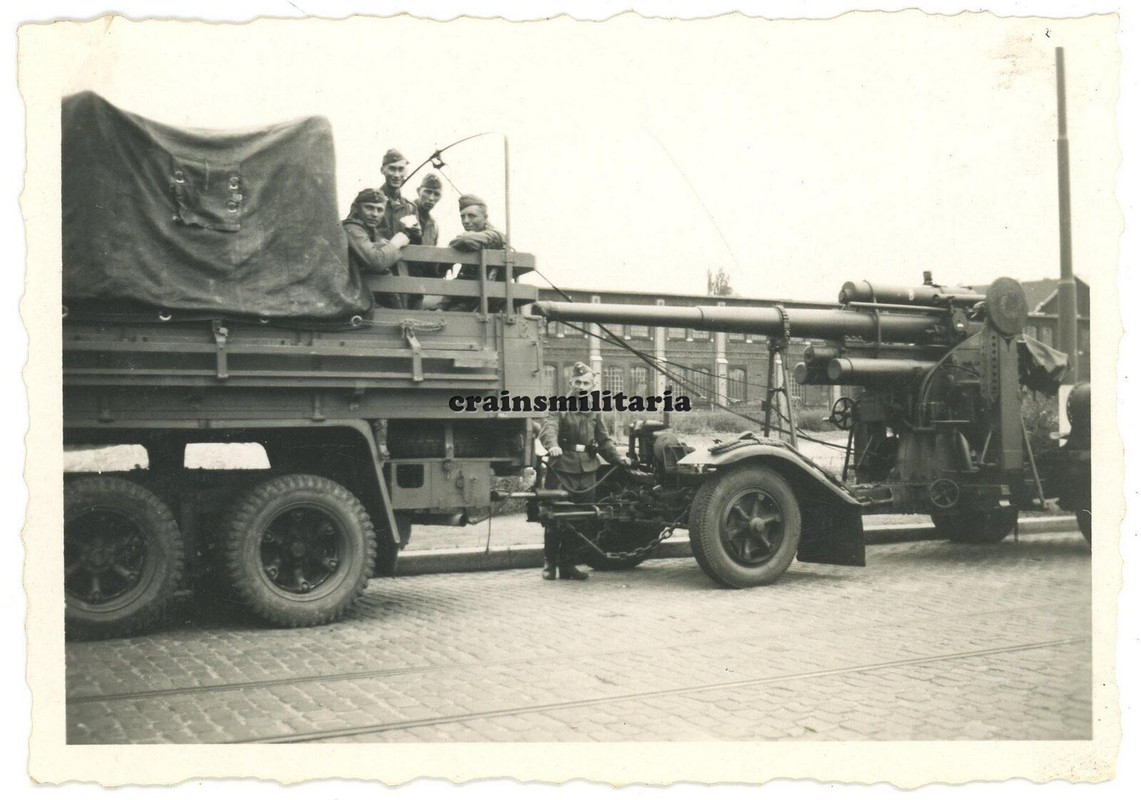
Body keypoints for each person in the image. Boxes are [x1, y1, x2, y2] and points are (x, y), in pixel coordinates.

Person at [538, 362, 631, 581]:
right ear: (571, 382)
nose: (581, 386)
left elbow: (603, 439)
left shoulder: (594, 409)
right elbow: (548, 428)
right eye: (577, 382)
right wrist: (552, 445)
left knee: (582, 519)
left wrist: (618, 459)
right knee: (556, 517)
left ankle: (568, 564)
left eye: (586, 383)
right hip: (562, 467)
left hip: (587, 470)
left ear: (592, 385)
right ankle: (550, 563)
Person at [342, 187, 416, 309]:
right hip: (353, 296)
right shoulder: (352, 228)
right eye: (369, 208)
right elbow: (376, 261)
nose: (375, 214)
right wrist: (396, 243)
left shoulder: (369, 231)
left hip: (363, 294)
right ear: (356, 208)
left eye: (380, 210)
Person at [377, 148, 417, 242]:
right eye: (392, 169)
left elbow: (417, 245)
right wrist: (376, 238)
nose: (396, 175)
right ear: (382, 170)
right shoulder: (368, 201)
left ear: (406, 172)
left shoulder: (410, 208)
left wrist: (418, 235)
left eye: (401, 169)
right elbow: (355, 230)